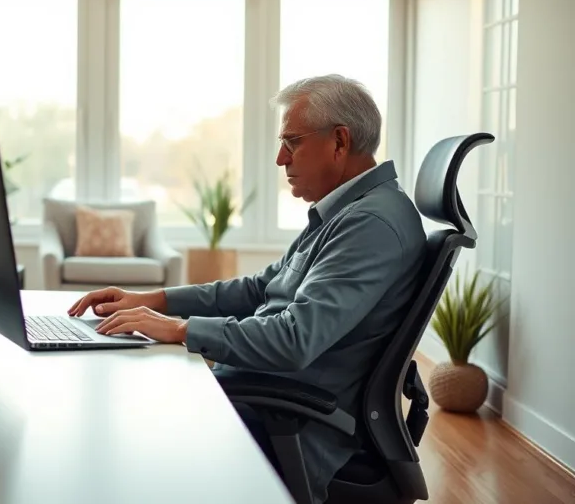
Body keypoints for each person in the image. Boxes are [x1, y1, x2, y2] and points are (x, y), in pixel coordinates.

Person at [67, 74, 426, 504]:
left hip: (286, 421)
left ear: (339, 141)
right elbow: (261, 289)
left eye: (292, 142)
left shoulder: (370, 225)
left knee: (110, 434)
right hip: (256, 392)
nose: (280, 158)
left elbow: (295, 340)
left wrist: (180, 329)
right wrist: (153, 300)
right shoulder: (344, 211)